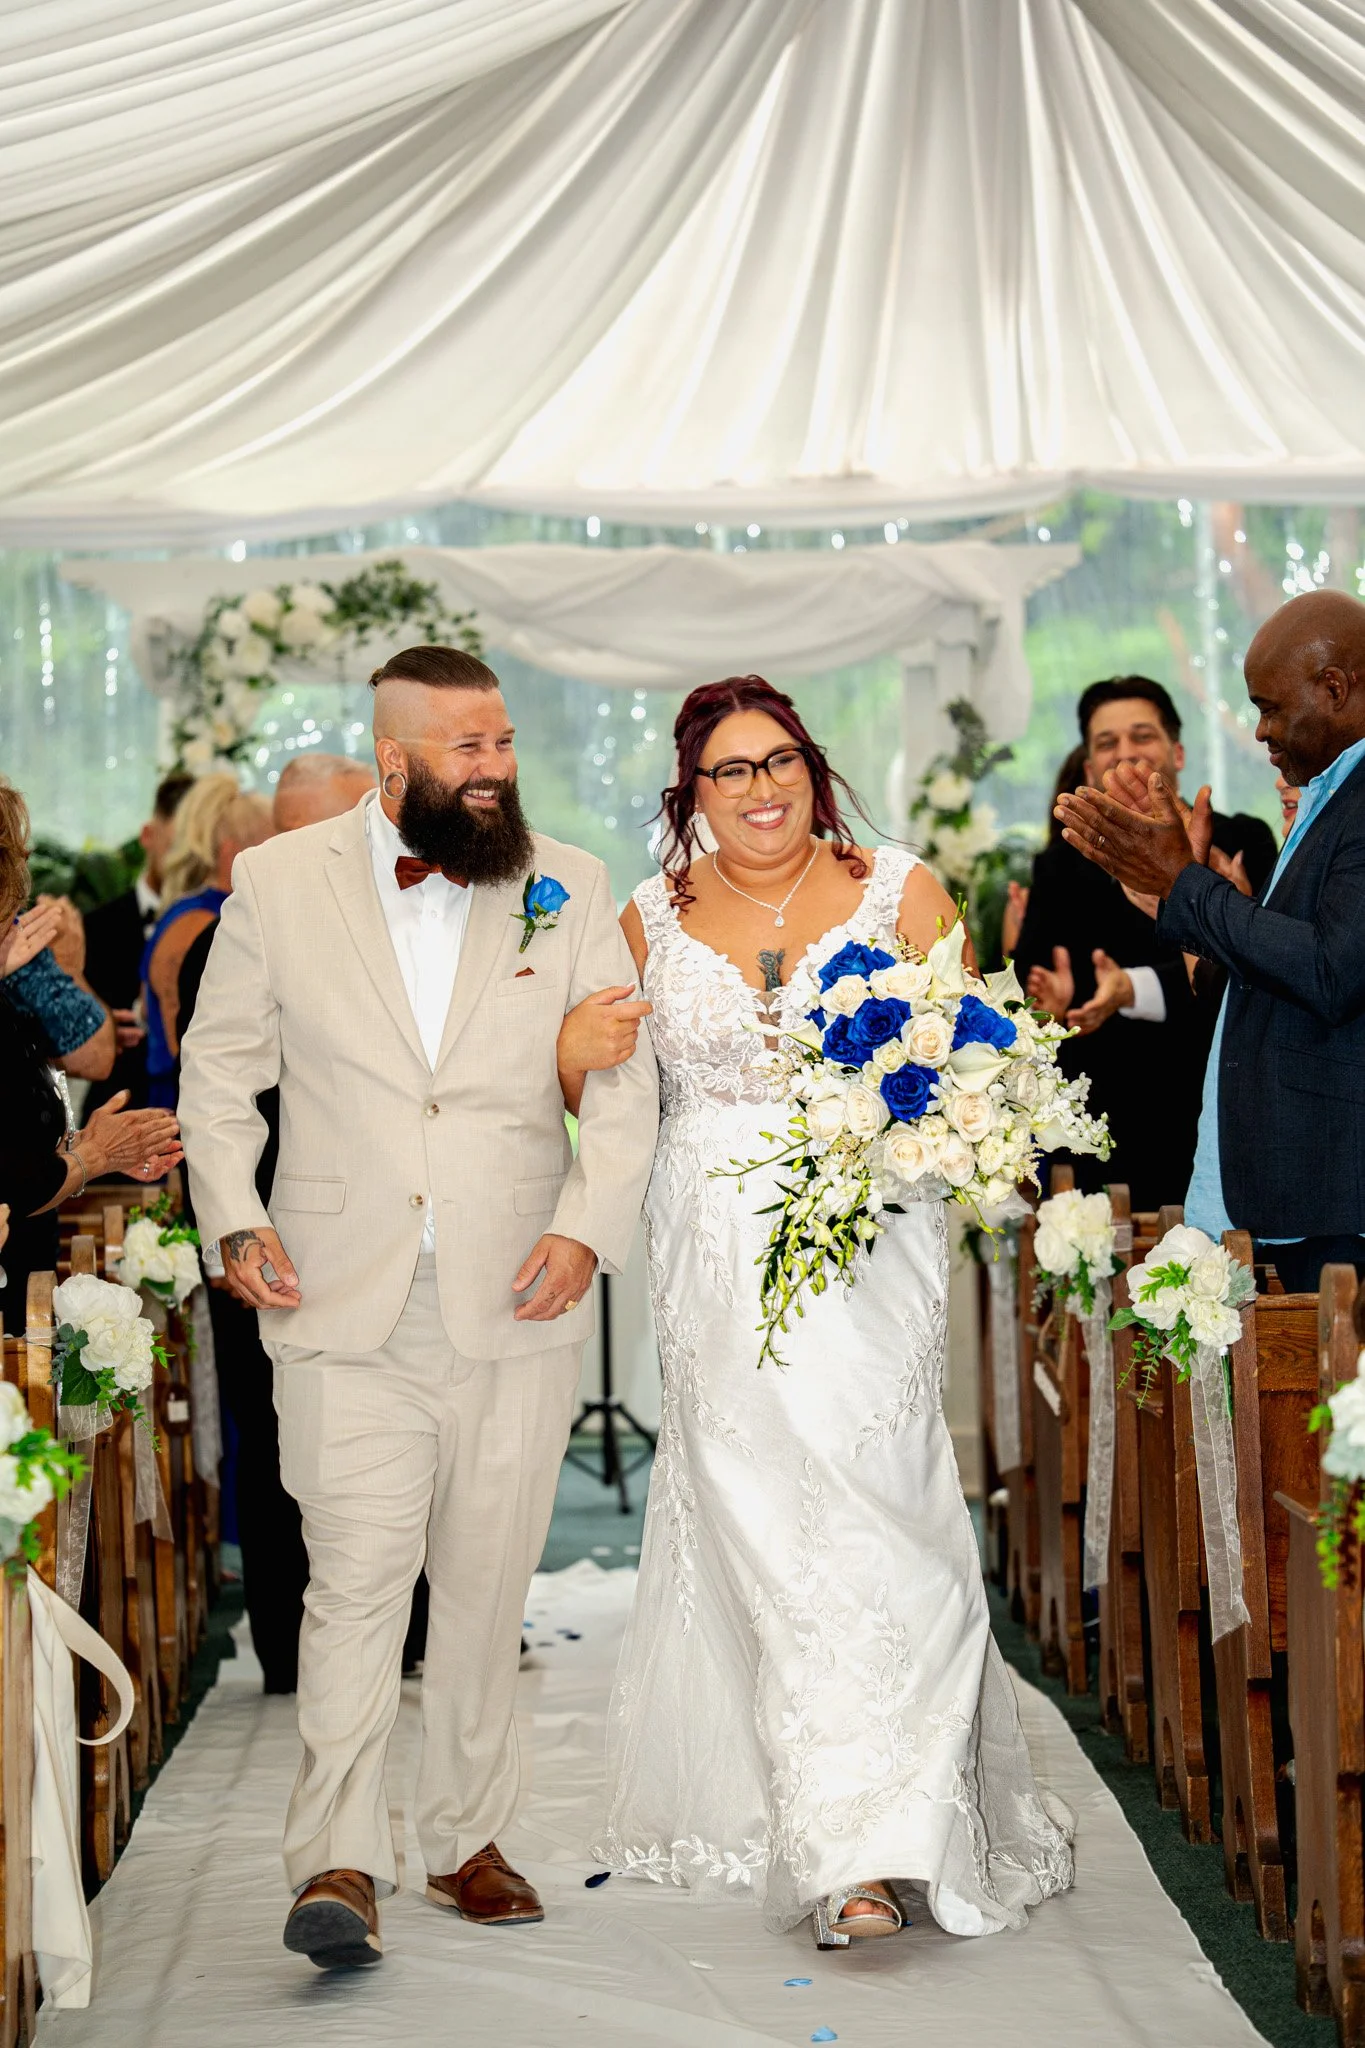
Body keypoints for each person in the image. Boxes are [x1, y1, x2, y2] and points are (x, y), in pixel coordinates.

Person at [562, 674, 1072, 1950]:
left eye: (779, 759)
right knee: (766, 1538)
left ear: (811, 765)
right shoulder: (642, 918)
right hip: (717, 1257)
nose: (761, 788)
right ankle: (850, 1845)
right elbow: (591, 1086)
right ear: (691, 790)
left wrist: (973, 1123)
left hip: (872, 1244)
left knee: (892, 1512)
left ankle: (907, 1814)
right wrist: (571, 1050)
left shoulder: (902, 892)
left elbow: (982, 1058)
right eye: (730, 770)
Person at [177, 645, 658, 1970]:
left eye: (502, 742)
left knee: (487, 1579)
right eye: (465, 748)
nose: (494, 770)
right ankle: (337, 1857)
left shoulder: (571, 884)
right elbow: (221, 1071)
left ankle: (463, 1839)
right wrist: (232, 1210)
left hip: (517, 1282)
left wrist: (584, 1229)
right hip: (341, 1290)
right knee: (354, 1582)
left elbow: (622, 1085)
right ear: (391, 759)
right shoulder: (275, 882)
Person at [1057, 590, 1365, 1295]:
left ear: (1334, 689)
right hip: (1293, 1195)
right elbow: (1273, 988)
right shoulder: (1327, 796)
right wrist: (1184, 903)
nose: (1259, 731)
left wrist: (1187, 885)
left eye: (1269, 707)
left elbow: (1329, 972)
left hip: (1337, 1197)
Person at [172, 755, 376, 1698]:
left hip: (381, 1228)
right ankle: (288, 1649)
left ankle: (402, 1638)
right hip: (266, 1225)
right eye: (288, 829)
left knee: (386, 1434)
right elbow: (213, 1094)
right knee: (272, 1436)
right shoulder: (232, 934)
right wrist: (232, 1229)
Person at [1014, 677, 1276, 1210]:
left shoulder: (1240, 841)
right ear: (1088, 768)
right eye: (1107, 743)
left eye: (1143, 736)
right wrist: (1055, 1005)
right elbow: (1032, 987)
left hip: (1219, 1112)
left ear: (1177, 751)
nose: (1127, 752)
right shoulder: (1062, 864)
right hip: (1110, 1133)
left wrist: (1217, 914)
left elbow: (1263, 975)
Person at [0, 780, 182, 1316]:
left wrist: (98, 1146)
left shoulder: (15, 971)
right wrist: (95, 1154)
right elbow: (15, 1182)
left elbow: (15, 1141)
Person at [143, 784, 273, 1106]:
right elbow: (184, 1041)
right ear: (233, 852)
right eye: (271, 845)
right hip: (183, 1115)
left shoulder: (216, 912)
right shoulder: (198, 923)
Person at [83, 772, 193, 1113]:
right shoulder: (95, 926)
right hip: (115, 1109)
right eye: (176, 848)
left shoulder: (221, 922)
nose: (183, 865)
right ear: (148, 835)